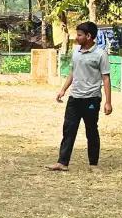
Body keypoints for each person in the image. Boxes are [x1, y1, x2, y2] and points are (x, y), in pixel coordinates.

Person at [48, 21, 113, 173]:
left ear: (89, 36)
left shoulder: (100, 54)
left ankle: (93, 164)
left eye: (79, 35)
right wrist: (63, 90)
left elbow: (106, 78)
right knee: (68, 129)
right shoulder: (76, 51)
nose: (76, 37)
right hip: (74, 98)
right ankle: (62, 162)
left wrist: (108, 102)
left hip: (91, 99)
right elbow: (72, 72)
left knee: (91, 130)